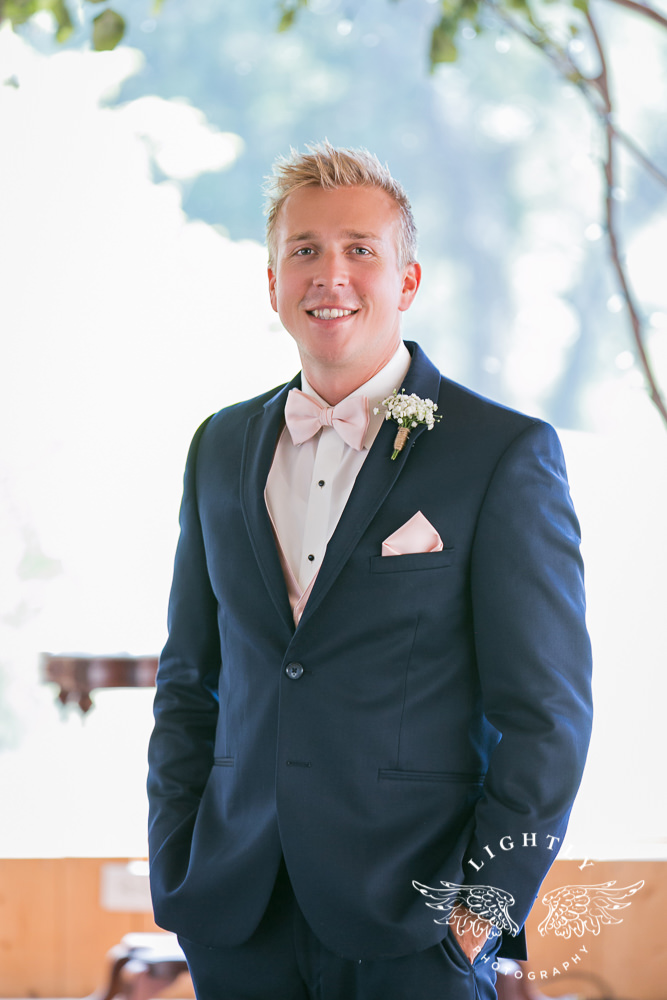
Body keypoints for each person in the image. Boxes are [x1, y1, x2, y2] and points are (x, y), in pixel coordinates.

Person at [147, 141, 593, 999]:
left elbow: (546, 715)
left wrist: (478, 914)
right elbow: (189, 679)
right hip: (235, 913)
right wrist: (177, 863)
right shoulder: (219, 445)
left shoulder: (498, 452)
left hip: (414, 925)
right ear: (271, 281)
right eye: (304, 250)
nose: (330, 275)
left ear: (407, 280)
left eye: (360, 249)